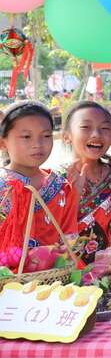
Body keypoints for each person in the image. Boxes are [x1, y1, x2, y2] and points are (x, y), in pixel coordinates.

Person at [62, 102, 111, 264]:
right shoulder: (56, 180)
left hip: (101, 271)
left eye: (105, 128)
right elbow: (51, 232)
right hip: (61, 272)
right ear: (67, 136)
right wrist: (74, 195)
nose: (96, 134)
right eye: (86, 127)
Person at [0, 102, 78, 251]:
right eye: (26, 136)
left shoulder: (61, 186)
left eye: (46, 135)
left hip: (55, 272)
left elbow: (69, 240)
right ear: (3, 143)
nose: (38, 144)